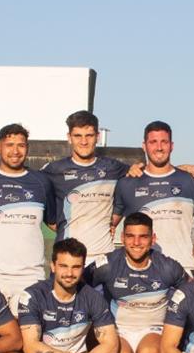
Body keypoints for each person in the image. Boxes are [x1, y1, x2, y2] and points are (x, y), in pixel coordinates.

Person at [85, 212, 190, 353]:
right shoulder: (107, 264)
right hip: (118, 329)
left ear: (153, 239)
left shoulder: (169, 266)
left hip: (153, 329)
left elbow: (192, 293)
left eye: (143, 237)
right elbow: (79, 285)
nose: (136, 242)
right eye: (131, 236)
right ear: (122, 237)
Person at [0, 123, 57, 313]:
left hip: (31, 277)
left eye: (21, 145)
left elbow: (54, 224)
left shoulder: (41, 182)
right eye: (9, 145)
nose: (15, 151)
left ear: (27, 148)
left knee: (27, 338)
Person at [111, 120, 194, 276]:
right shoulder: (127, 184)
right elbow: (108, 226)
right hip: (141, 271)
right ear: (144, 146)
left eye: (164, 142)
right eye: (153, 142)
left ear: (171, 145)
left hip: (183, 269)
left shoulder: (191, 182)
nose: (159, 147)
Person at [42, 111, 131, 267]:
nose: (84, 141)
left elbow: (151, 174)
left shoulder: (113, 168)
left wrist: (183, 169)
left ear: (97, 136)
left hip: (103, 258)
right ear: (69, 137)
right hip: (68, 258)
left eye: (89, 135)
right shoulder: (53, 170)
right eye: (78, 136)